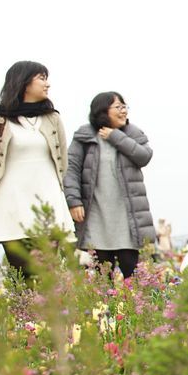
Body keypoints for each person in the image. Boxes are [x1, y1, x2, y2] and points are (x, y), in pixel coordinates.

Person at [0, 61, 73, 277]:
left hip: (48, 202)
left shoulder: (52, 118)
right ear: (24, 83)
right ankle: (25, 311)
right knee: (22, 273)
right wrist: (1, 189)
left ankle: (47, 311)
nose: (48, 84)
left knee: (47, 271)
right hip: (11, 204)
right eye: (42, 78)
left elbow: (63, 160)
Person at [64, 92, 155, 279]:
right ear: (103, 110)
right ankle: (105, 310)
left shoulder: (132, 134)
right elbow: (70, 170)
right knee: (102, 279)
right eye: (118, 107)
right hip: (96, 219)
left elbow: (143, 156)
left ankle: (133, 309)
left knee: (135, 277)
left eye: (124, 107)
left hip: (128, 220)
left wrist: (115, 137)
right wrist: (73, 201)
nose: (123, 111)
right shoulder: (85, 136)